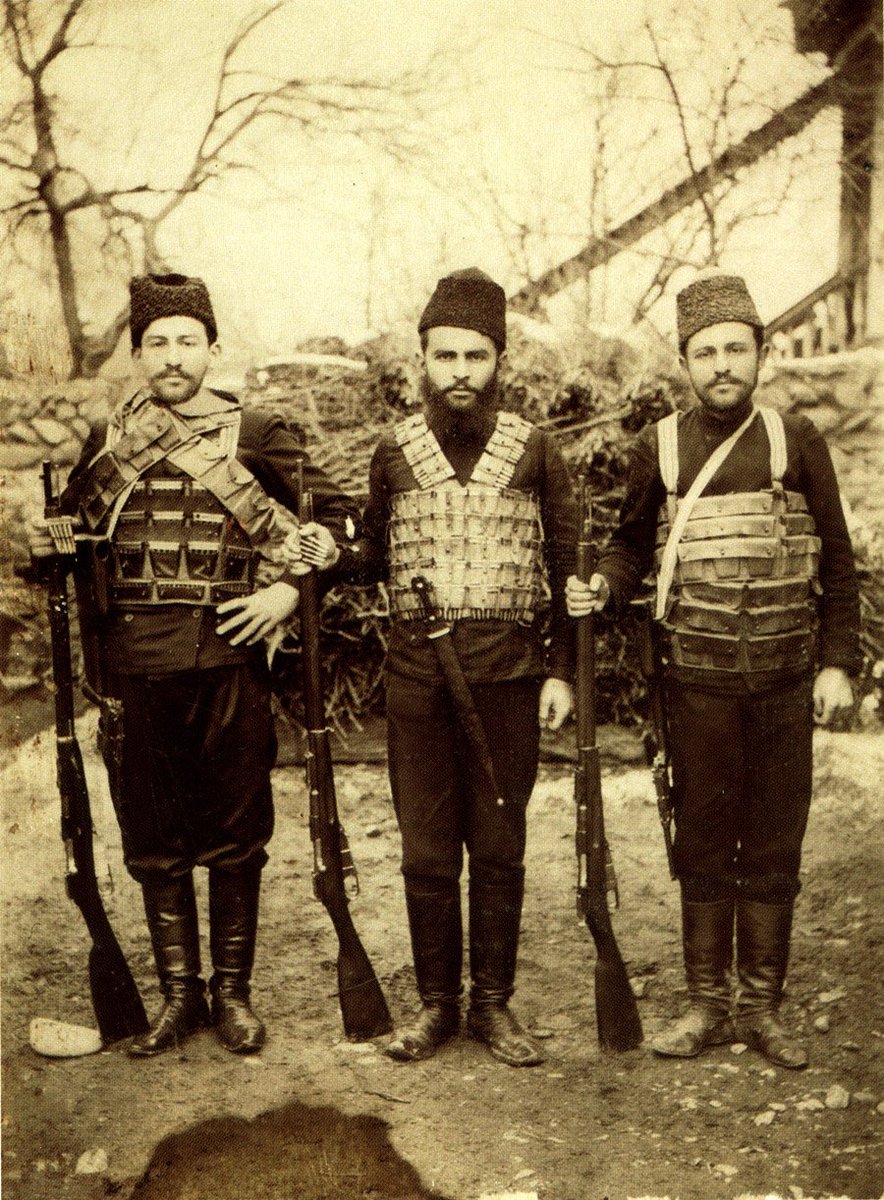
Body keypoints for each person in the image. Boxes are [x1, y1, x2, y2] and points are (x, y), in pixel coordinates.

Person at [31, 273, 352, 1057]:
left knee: (236, 832)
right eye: (157, 344)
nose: (173, 357)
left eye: (187, 341)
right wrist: (42, 550)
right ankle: (180, 997)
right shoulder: (108, 438)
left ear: (213, 348)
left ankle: (232, 995)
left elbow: (336, 522)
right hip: (132, 670)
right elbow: (70, 542)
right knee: (153, 835)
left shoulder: (256, 431)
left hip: (230, 662)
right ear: (137, 356)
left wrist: (286, 593)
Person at [566, 270, 861, 1070]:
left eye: (737, 348)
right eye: (706, 352)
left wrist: (840, 662)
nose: (723, 364)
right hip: (692, 683)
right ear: (685, 363)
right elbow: (631, 544)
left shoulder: (795, 440)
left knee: (772, 840)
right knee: (702, 838)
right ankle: (705, 1005)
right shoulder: (657, 447)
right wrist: (604, 583)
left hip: (783, 680)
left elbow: (838, 559)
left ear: (761, 353)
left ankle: (761, 1007)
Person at [335, 268, 577, 1067]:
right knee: (427, 850)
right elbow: (371, 555)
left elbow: (570, 568)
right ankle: (438, 1007)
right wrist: (327, 553)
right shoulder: (393, 451)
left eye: (477, 356)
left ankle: (493, 1005)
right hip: (418, 683)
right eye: (447, 357)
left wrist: (561, 673)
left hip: (508, 678)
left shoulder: (536, 451)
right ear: (424, 361)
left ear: (498, 361)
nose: (462, 373)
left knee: (500, 844)